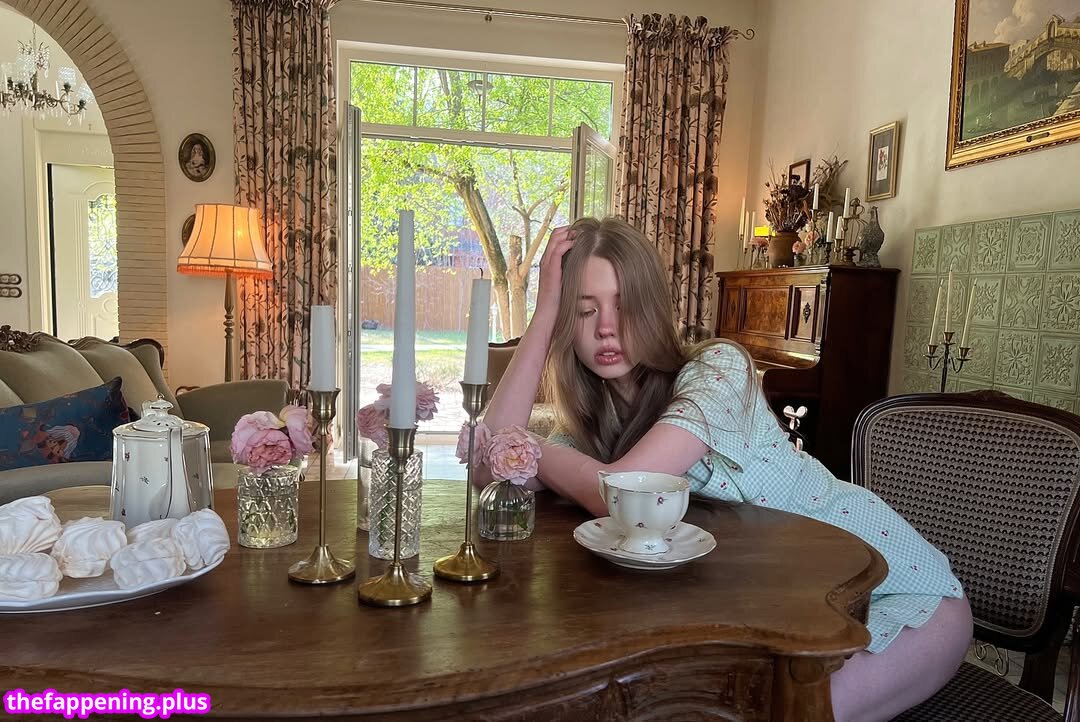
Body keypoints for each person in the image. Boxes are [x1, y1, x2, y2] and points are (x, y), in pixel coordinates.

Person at [478, 216, 972, 722]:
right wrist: (544, 314)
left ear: (652, 308)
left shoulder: (718, 371)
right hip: (779, 622)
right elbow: (488, 469)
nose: (606, 327)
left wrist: (529, 449)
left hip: (898, 593)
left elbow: (621, 495)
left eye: (624, 306)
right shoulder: (592, 430)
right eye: (584, 311)